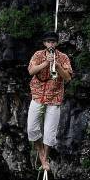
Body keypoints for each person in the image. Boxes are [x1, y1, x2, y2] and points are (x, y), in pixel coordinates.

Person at [27, 31, 73, 171]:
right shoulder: (38, 55)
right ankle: (40, 151)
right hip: (38, 95)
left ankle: (45, 158)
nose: (50, 44)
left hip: (54, 97)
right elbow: (31, 71)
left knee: (49, 133)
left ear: (56, 43)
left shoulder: (63, 57)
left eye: (53, 41)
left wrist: (57, 65)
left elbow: (68, 78)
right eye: (48, 41)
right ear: (44, 43)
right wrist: (46, 63)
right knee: (32, 129)